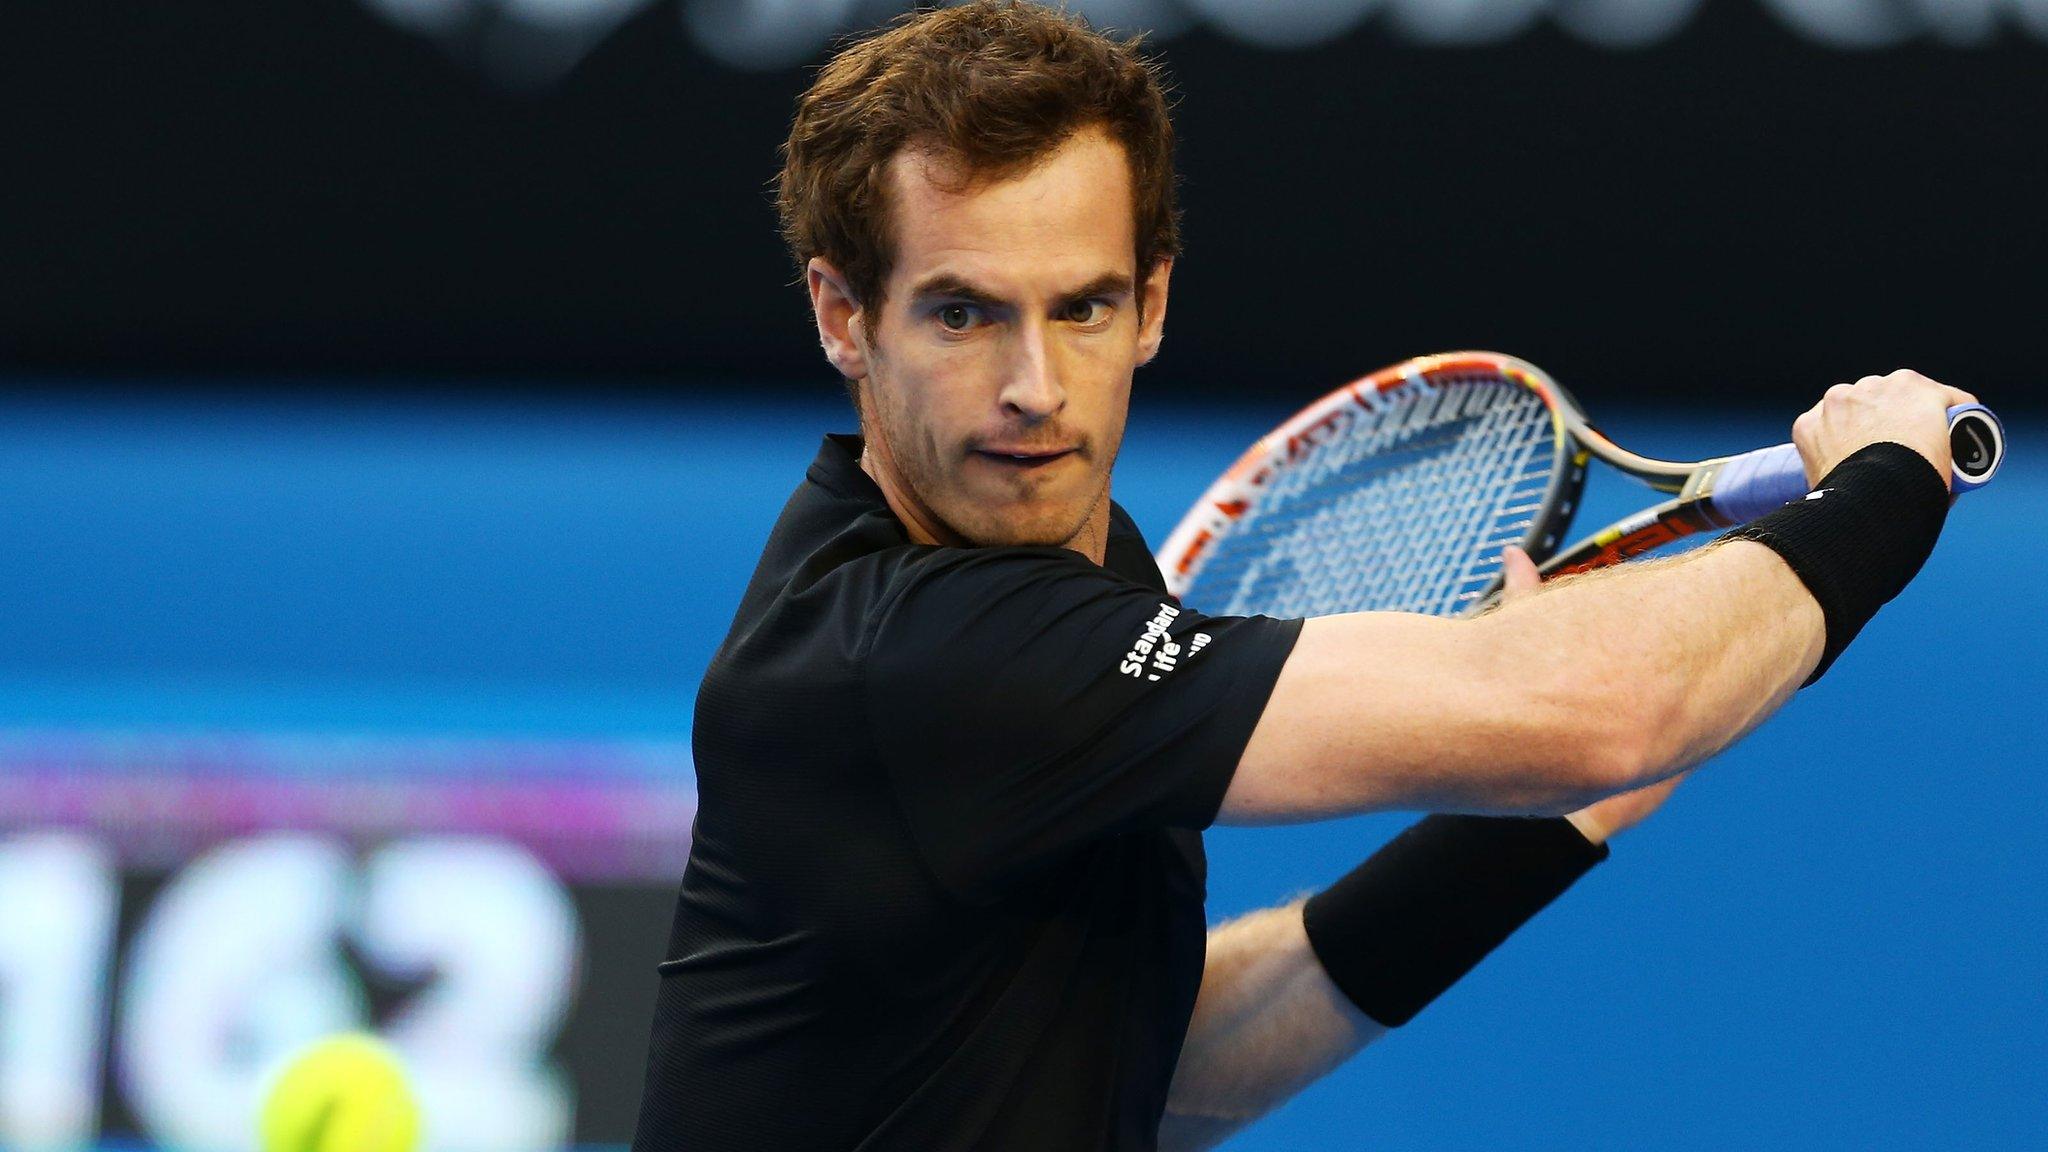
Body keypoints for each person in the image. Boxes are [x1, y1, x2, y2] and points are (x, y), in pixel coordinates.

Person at [630, 4, 1973, 1149]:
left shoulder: (1053, 560)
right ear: (840, 317)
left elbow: (1147, 1069)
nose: (1033, 389)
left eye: (1081, 306)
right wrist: (1889, 489)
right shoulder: (921, 649)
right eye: (963, 312)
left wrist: (1542, 823)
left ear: (1152, 303)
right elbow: (1606, 708)